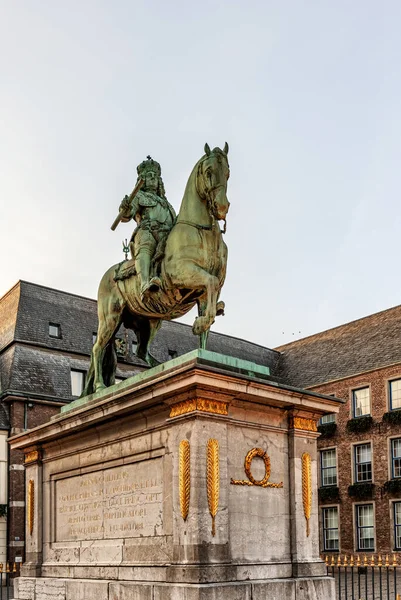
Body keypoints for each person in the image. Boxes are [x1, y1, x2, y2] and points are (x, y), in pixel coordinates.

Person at [119, 157, 176, 298]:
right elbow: (126, 215)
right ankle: (144, 283)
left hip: (166, 236)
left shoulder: (167, 205)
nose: (152, 179)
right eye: (149, 176)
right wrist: (125, 208)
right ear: (142, 180)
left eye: (155, 177)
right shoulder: (139, 196)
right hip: (147, 231)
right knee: (146, 246)